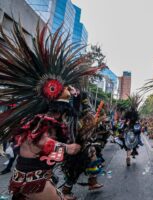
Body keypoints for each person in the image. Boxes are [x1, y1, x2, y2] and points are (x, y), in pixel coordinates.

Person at [0, 21, 99, 200]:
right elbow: (40, 141)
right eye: (67, 89)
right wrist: (67, 147)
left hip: (37, 178)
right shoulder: (43, 120)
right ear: (53, 90)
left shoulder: (53, 119)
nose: (72, 91)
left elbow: (49, 152)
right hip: (32, 181)